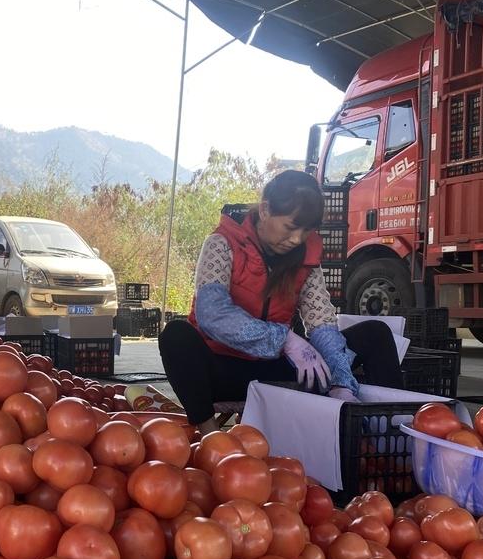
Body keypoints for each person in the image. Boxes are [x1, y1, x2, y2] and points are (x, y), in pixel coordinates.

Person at [159, 170, 403, 436]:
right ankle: (212, 438)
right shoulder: (222, 244)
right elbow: (212, 314)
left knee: (375, 333)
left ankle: (395, 433)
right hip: (223, 370)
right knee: (175, 336)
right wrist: (284, 339)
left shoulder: (306, 259)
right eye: (290, 227)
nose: (297, 238)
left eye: (306, 230)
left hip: (276, 372)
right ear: (265, 210)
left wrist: (340, 381)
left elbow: (321, 322)